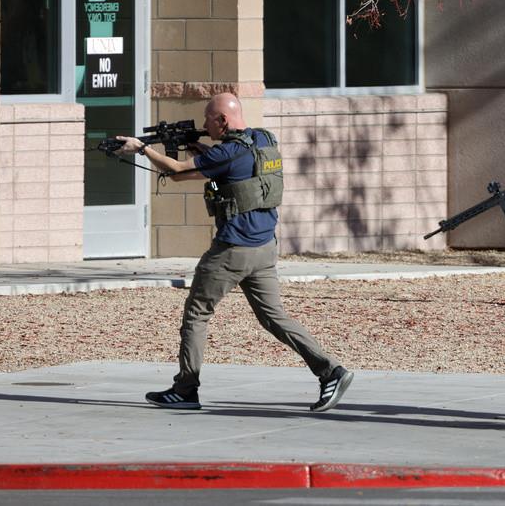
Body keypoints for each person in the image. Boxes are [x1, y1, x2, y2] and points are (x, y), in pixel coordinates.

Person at [116, 93, 353, 412]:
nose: (203, 125)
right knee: (274, 317)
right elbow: (226, 169)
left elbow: (176, 171)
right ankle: (331, 371)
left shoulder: (228, 151)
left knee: (197, 312)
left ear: (222, 121)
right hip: (265, 247)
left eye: (207, 120)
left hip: (233, 249)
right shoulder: (262, 139)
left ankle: (186, 389)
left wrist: (142, 149)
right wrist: (202, 151)